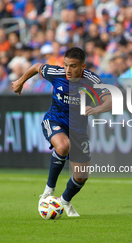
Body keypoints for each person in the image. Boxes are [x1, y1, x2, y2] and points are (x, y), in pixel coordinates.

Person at [12, 47, 112, 216]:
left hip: (78, 129)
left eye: (72, 66)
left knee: (81, 176)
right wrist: (20, 81)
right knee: (63, 146)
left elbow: (110, 100)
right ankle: (48, 191)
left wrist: (97, 109)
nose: (68, 70)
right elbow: (37, 67)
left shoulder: (91, 79)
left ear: (82, 66)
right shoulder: (56, 73)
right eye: (65, 65)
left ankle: (64, 201)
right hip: (54, 120)